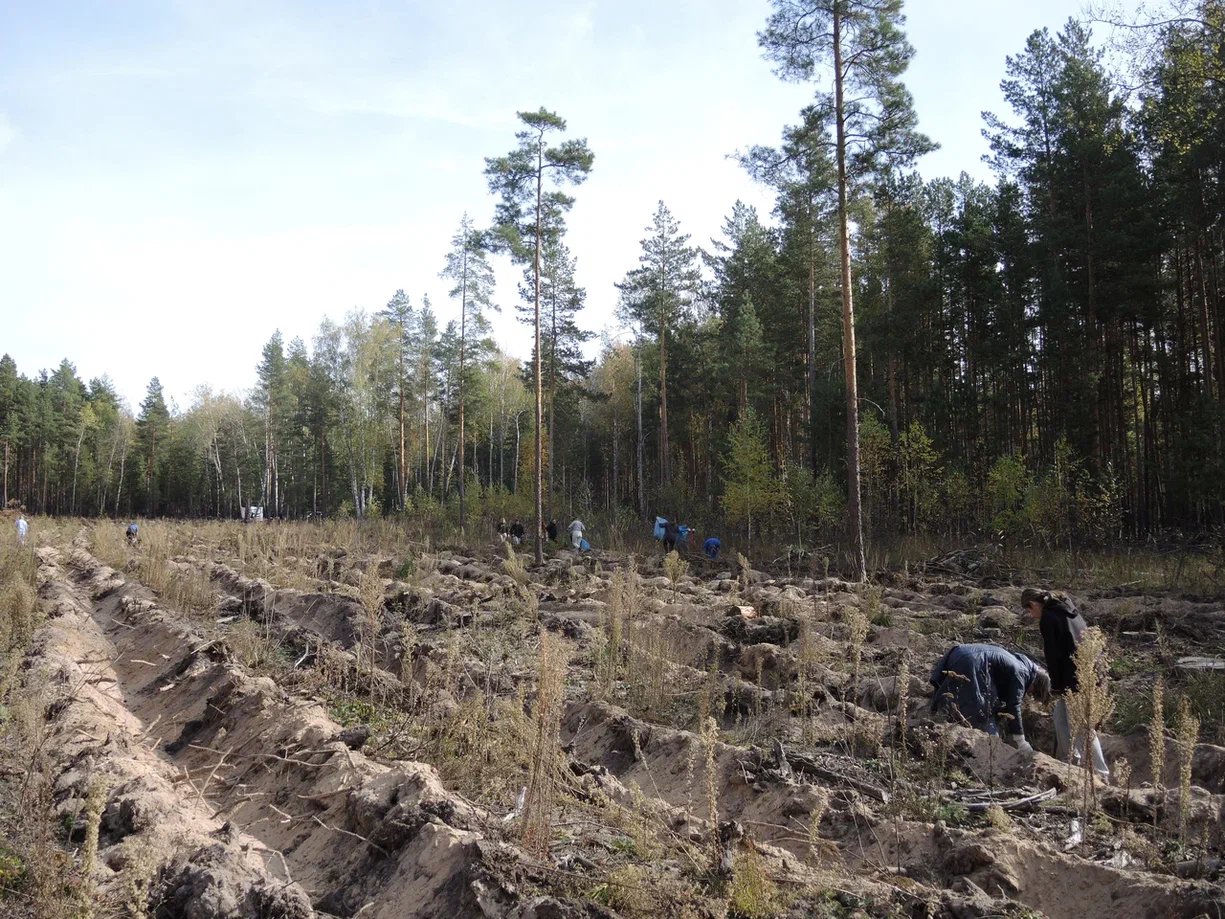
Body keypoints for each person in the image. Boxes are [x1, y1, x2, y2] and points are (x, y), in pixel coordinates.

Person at [1022, 588, 1111, 782]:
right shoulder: (1069, 610)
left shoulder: (1048, 618)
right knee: (1060, 719)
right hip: (1091, 672)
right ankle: (1070, 762)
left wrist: (1055, 686)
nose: (1031, 614)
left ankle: (1100, 774)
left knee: (1081, 728)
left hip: (1075, 679)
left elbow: (1053, 656)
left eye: (1029, 610)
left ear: (1034, 604)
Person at [929, 643, 1051, 752]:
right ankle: (989, 749)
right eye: (1033, 693)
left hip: (958, 652)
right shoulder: (1022, 673)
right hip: (972, 663)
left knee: (951, 695)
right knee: (984, 717)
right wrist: (1020, 741)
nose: (1029, 694)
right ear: (1035, 685)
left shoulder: (1020, 661)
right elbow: (1014, 705)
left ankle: (938, 719)